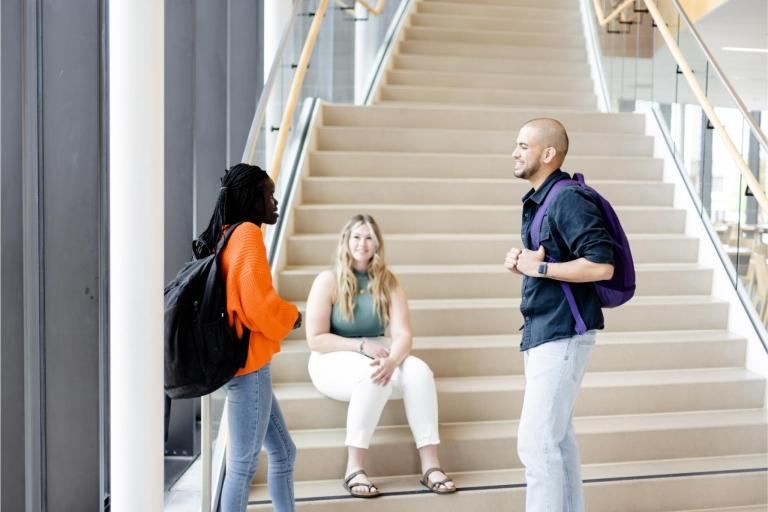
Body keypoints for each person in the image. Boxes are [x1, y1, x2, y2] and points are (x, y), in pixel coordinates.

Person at [504, 118, 615, 512]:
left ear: (548, 154)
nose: (514, 153)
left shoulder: (567, 198)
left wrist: (541, 269)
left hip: (563, 331)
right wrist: (526, 261)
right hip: (544, 328)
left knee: (536, 444)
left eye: (522, 146)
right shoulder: (543, 200)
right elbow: (554, 258)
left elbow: (602, 265)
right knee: (557, 439)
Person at [304, 214, 456, 498]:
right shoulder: (328, 280)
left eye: (369, 237)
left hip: (376, 349)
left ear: (377, 244)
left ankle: (431, 465)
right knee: (373, 376)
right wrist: (362, 347)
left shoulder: (387, 281)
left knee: (420, 371)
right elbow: (316, 339)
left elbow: (403, 335)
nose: (362, 243)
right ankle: (354, 468)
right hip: (332, 355)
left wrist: (392, 360)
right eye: (357, 237)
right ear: (346, 242)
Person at [194, 163, 302, 512]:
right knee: (242, 466)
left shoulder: (225, 235)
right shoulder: (247, 236)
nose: (275, 201)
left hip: (244, 368)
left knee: (285, 452)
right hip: (248, 371)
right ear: (251, 199)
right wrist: (292, 316)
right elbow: (258, 305)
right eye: (268, 194)